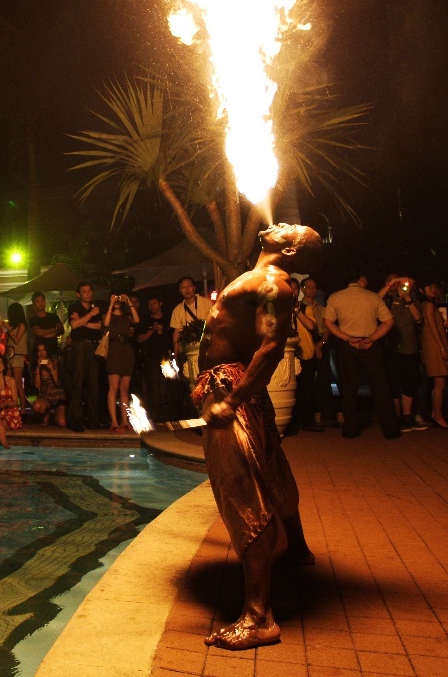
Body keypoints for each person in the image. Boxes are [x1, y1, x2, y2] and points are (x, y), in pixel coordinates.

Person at [190, 224, 319, 650]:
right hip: (233, 385)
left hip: (232, 389)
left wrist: (232, 400)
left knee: (244, 493)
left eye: (291, 228)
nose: (280, 223)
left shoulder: (273, 284)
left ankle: (259, 617)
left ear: (292, 248)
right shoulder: (261, 277)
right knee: (272, 469)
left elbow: (271, 347)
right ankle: (297, 550)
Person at [324, 271, 401, 439]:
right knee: (380, 387)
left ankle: (350, 428)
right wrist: (372, 338)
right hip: (370, 345)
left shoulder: (335, 297)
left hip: (348, 346)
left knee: (349, 388)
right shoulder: (373, 297)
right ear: (362, 280)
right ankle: (390, 428)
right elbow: (389, 321)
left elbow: (328, 322)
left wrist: (347, 338)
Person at [379, 274, 428, 431]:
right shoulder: (387, 301)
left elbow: (418, 319)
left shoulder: (413, 301)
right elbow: (375, 299)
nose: (399, 285)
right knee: (393, 383)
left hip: (409, 348)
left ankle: (407, 416)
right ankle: (397, 417)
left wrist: (407, 298)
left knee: (409, 383)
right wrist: (391, 283)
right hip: (392, 348)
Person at [287, 277, 328, 435]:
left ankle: (306, 421)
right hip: (288, 353)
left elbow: (311, 325)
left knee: (306, 389)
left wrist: (296, 310)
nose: (293, 291)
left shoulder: (304, 307)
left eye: (295, 289)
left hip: (305, 351)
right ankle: (291, 423)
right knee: (291, 389)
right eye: (290, 288)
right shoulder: (279, 307)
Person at [418, 277, 448, 429]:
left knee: (439, 382)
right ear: (422, 290)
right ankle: (438, 416)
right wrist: (442, 348)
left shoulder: (432, 305)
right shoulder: (428, 305)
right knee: (439, 382)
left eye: (434, 286)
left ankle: (436, 413)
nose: (433, 289)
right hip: (435, 345)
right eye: (429, 287)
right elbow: (432, 327)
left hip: (435, 344)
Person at [65, 282, 104, 431]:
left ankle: (92, 419)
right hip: (80, 346)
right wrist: (90, 315)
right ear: (78, 294)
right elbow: (74, 325)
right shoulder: (74, 307)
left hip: (94, 346)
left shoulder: (97, 308)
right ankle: (76, 420)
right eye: (84, 291)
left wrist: (84, 321)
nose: (88, 294)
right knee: (78, 381)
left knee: (93, 383)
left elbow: (100, 326)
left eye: (89, 291)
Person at [103, 292, 139, 431]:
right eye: (114, 297)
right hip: (114, 350)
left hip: (126, 350)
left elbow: (137, 320)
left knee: (124, 389)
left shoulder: (126, 315)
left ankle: (125, 420)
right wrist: (111, 304)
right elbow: (106, 323)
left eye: (118, 297)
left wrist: (129, 302)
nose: (117, 299)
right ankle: (114, 422)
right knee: (113, 388)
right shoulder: (108, 315)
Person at [135, 295, 173, 419]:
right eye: (150, 304)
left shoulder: (168, 318)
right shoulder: (146, 320)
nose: (152, 306)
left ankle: (169, 412)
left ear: (160, 303)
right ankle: (156, 414)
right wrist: (152, 331)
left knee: (167, 384)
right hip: (151, 356)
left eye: (155, 303)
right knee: (154, 385)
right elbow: (140, 339)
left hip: (166, 356)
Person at [170, 277, 214, 382]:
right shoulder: (178, 309)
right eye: (183, 287)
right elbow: (176, 332)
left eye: (189, 286)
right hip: (187, 352)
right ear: (180, 290)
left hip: (205, 348)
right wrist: (176, 354)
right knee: (191, 379)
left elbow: (214, 323)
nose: (187, 289)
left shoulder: (206, 303)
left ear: (194, 287)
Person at [31, 341, 67, 427]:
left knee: (62, 423)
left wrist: (52, 370)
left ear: (47, 351)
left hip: (58, 396)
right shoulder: (36, 364)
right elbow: (37, 386)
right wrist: (38, 368)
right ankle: (45, 414)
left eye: (43, 350)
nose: (41, 353)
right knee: (37, 406)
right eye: (39, 351)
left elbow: (59, 383)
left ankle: (57, 415)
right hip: (46, 396)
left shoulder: (54, 362)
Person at [6, 303, 29, 410]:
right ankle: (12, 407)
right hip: (10, 356)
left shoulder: (22, 325)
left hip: (18, 355)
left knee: (18, 382)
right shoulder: (13, 326)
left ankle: (23, 409)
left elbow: (16, 340)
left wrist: (9, 331)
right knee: (9, 382)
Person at [28, 291, 64, 356]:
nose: (40, 303)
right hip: (40, 353)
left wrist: (44, 333)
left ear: (45, 302)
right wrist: (54, 329)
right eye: (37, 301)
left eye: (42, 300)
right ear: (34, 305)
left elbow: (61, 330)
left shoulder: (54, 317)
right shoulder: (33, 320)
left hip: (53, 350)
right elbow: (39, 333)